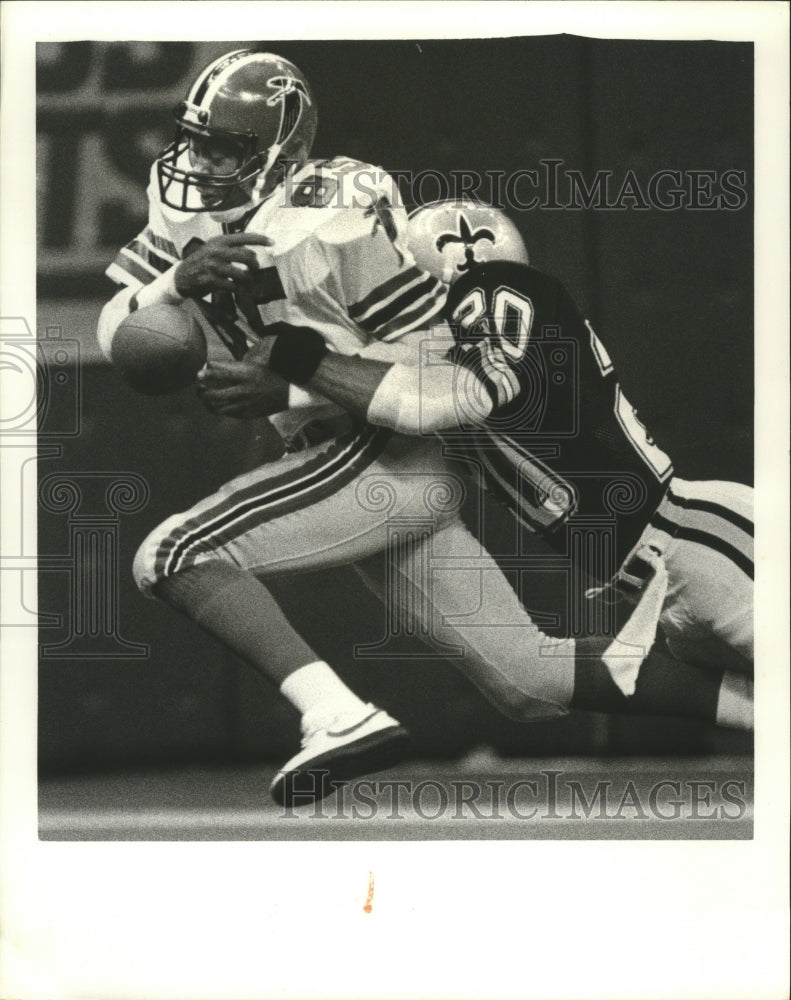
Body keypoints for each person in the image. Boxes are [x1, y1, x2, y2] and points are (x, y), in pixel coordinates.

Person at [98, 53, 751, 807]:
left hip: (386, 451)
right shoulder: (181, 205)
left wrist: (289, 383)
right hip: (351, 460)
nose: (199, 162)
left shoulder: (335, 210)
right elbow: (123, 326)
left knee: (176, 551)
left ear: (278, 152)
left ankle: (337, 715)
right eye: (196, 139)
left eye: (224, 147)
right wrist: (175, 282)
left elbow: (431, 360)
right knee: (527, 678)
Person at [255, 199, 754, 713]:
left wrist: (296, 359)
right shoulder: (458, 337)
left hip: (696, 541)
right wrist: (291, 390)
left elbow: (433, 401)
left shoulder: (493, 288)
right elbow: (399, 373)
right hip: (657, 573)